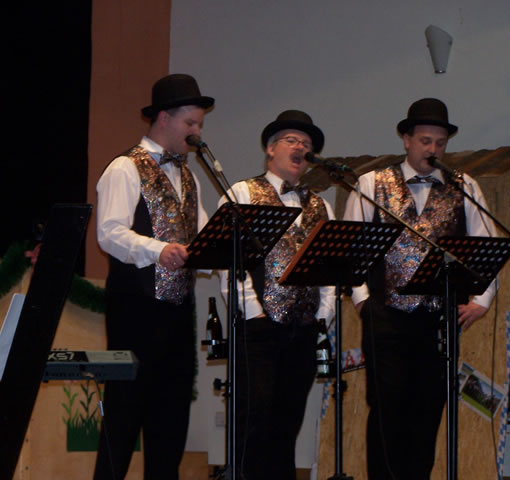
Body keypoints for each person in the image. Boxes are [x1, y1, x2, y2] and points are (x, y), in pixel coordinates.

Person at [343, 98, 497, 480]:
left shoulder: (465, 186)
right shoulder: (371, 183)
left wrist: (483, 300)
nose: (433, 149)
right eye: (425, 141)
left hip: (438, 322)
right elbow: (351, 250)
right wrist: (363, 301)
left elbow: (487, 246)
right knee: (386, 411)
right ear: (406, 140)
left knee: (427, 412)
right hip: (385, 317)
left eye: (440, 143)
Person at [94, 73, 213, 480]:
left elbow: (202, 235)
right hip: (135, 309)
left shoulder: (189, 177)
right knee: (124, 417)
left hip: (177, 313)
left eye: (199, 124)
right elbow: (109, 233)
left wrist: (223, 251)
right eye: (190, 123)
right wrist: (157, 249)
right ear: (164, 118)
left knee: (170, 422)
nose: (197, 133)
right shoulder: (125, 168)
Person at [218, 110, 335, 480]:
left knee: (288, 423)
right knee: (254, 421)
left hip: (303, 330)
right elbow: (227, 261)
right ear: (270, 149)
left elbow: (331, 270)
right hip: (258, 328)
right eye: (291, 140)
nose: (300, 147)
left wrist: (323, 315)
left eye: (306, 143)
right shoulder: (242, 193)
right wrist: (253, 312)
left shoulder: (321, 205)